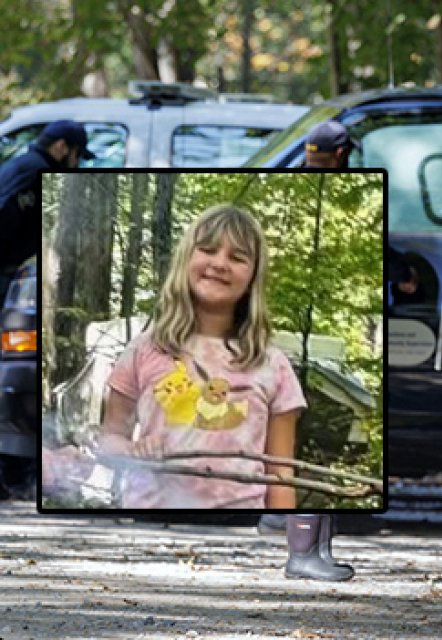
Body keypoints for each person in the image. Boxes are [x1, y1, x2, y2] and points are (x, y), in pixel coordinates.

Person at [97, 204, 306, 510]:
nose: (220, 264)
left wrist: (282, 540)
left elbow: (280, 472)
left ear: (253, 278)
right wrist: (133, 450)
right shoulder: (145, 349)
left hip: (239, 526)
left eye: (237, 257)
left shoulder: (272, 364)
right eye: (208, 250)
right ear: (186, 260)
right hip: (149, 521)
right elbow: (109, 440)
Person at [258, 120, 361, 581]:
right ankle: (301, 552)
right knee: (312, 439)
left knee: (318, 439)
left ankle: (315, 549)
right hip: (296, 343)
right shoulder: (310, 196)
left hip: (297, 339)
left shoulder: (284, 193)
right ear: (341, 155)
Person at [0, 120, 95, 293]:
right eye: (77, 155)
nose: (77, 163)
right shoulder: (34, 172)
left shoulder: (25, 164)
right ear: (61, 146)